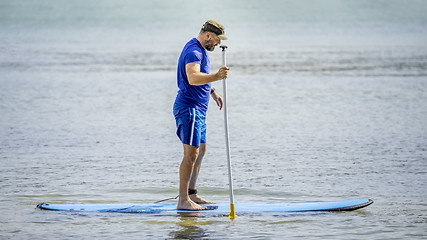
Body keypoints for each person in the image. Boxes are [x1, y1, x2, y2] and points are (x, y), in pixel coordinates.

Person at [173, 20, 229, 210]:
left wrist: (213, 92)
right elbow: (192, 77)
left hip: (199, 109)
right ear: (208, 36)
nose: (218, 44)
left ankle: (191, 194)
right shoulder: (194, 51)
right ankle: (183, 201)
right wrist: (217, 76)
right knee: (191, 153)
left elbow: (201, 75)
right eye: (216, 40)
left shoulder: (200, 50)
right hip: (189, 108)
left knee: (201, 150)